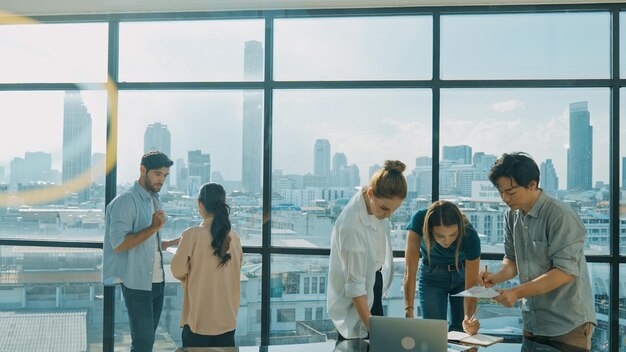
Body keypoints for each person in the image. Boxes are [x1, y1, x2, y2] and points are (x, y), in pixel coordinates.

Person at [481, 152, 596, 351]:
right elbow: (512, 260)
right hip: (533, 321)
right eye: (501, 192)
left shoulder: (559, 215)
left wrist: (516, 292)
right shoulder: (511, 215)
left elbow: (564, 272)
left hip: (567, 323)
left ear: (532, 184)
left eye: (511, 191)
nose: (505, 198)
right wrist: (497, 277)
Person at [102, 151, 179, 352]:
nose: (161, 180)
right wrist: (153, 228)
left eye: (165, 176)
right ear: (142, 170)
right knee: (143, 344)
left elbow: (149, 244)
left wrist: (175, 241)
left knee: (148, 342)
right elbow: (118, 244)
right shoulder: (125, 201)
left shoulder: (153, 200)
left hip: (157, 281)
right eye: (157, 174)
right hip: (137, 284)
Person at [327, 160, 407, 340]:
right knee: (358, 341)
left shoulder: (371, 200)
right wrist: (375, 331)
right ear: (370, 193)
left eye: (394, 210)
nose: (388, 215)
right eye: (385, 208)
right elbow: (355, 287)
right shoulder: (351, 226)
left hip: (372, 284)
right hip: (357, 295)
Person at [171, 183, 243, 347]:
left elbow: (177, 270)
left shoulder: (192, 234)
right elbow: (237, 268)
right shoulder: (234, 237)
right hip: (227, 321)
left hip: (199, 322)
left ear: (200, 204)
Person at [403, 200, 481, 334]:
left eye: (453, 234)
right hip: (432, 277)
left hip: (462, 276)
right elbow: (410, 271)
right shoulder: (419, 221)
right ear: (429, 229)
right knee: (433, 333)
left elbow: (472, 286)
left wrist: (468, 317)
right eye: (440, 235)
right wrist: (408, 309)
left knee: (462, 331)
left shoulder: (470, 235)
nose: (447, 240)